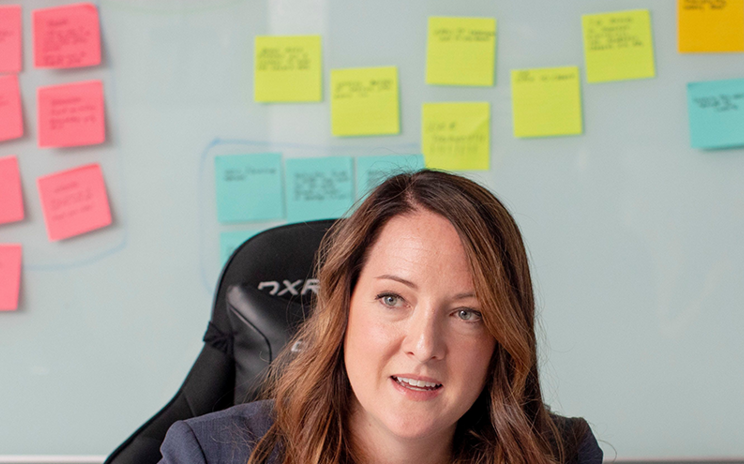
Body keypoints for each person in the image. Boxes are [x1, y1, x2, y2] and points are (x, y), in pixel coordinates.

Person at [158, 170, 603, 464]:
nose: (425, 346)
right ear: (343, 307)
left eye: (467, 312)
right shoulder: (209, 455)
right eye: (392, 299)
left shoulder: (562, 454)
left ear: (501, 338)